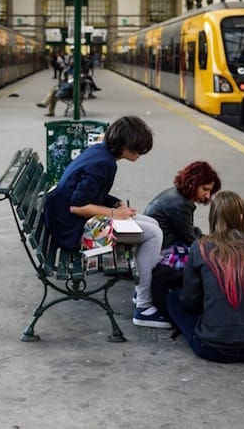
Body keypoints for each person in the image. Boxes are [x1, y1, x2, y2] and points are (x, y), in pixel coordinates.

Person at [43, 116, 170, 328]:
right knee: (153, 234)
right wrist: (113, 212)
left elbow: (88, 192)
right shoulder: (104, 163)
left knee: (151, 223)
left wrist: (116, 203)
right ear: (125, 145)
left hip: (68, 222)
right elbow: (77, 206)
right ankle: (144, 307)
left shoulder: (99, 152)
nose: (140, 153)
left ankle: (142, 291)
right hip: (75, 232)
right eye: (138, 149)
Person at [165, 191, 244, 363]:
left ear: (213, 217)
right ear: (240, 216)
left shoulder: (200, 247)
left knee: (173, 298)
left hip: (210, 347)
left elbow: (189, 300)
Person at [144, 161, 221, 252]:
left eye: (210, 191)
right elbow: (190, 241)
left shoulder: (176, 196)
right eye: (205, 189)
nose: (207, 196)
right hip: (162, 251)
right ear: (192, 184)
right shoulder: (181, 204)